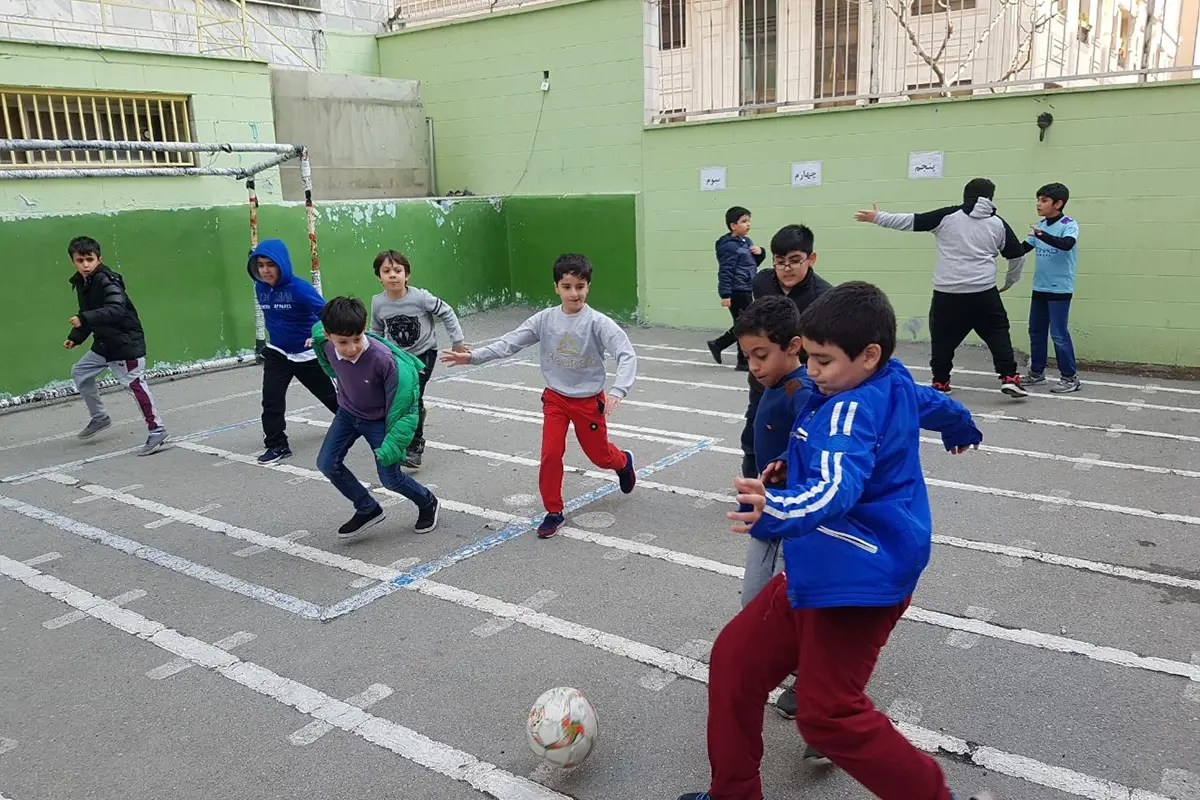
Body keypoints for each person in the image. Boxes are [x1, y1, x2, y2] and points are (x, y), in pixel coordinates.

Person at [679, 281, 987, 800]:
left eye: (823, 361)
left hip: (857, 582)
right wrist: (962, 428)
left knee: (827, 716)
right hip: (826, 564)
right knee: (734, 660)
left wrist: (775, 508)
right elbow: (934, 405)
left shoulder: (848, 408)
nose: (813, 372)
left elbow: (835, 487)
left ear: (869, 355)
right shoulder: (889, 380)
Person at [441, 254, 637, 539]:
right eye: (567, 286)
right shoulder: (545, 320)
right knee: (551, 453)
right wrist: (472, 357)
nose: (574, 293)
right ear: (556, 287)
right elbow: (509, 343)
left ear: (588, 287)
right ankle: (554, 511)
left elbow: (625, 353)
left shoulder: (598, 323)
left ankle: (622, 462)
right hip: (556, 399)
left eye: (580, 286)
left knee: (600, 456)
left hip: (588, 401)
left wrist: (618, 390)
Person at [855, 177, 1028, 398]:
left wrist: (877, 217)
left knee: (943, 338)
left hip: (948, 293)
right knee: (998, 333)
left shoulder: (947, 216)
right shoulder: (998, 224)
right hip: (984, 292)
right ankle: (1009, 378)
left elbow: (910, 221)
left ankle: (940, 382)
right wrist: (1010, 281)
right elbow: (1017, 256)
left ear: (965, 194)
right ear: (991, 197)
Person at [312, 296, 439, 542]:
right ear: (329, 336)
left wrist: (395, 440)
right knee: (327, 463)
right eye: (342, 342)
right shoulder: (325, 346)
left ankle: (427, 502)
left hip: (380, 420)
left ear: (365, 329)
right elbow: (318, 341)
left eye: (357, 339)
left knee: (390, 478)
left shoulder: (383, 359)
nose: (351, 349)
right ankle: (367, 507)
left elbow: (404, 406)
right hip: (348, 413)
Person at [739, 224, 831, 480]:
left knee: (794, 429)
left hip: (799, 375)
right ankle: (752, 478)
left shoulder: (823, 297)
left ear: (810, 259)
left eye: (794, 261)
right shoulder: (762, 281)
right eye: (780, 262)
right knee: (756, 425)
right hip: (766, 379)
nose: (786, 269)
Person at [64, 236, 169, 456]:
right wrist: (76, 336)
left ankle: (156, 429)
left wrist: (83, 319)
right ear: (73, 261)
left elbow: (115, 309)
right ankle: (100, 417)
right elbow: (92, 315)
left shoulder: (106, 280)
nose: (85, 264)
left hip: (125, 343)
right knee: (80, 372)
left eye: (89, 259)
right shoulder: (82, 282)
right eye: (80, 260)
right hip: (104, 344)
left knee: (135, 385)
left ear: (99, 259)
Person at [369, 249, 469, 469]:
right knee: (399, 397)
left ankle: (415, 446)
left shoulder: (421, 297)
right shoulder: (378, 303)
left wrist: (457, 341)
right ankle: (411, 423)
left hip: (424, 353)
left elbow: (447, 312)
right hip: (397, 357)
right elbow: (376, 331)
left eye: (398, 270)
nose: (393, 275)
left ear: (407, 274)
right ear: (379, 276)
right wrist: (372, 357)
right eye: (387, 271)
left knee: (412, 396)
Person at [248, 239, 339, 465]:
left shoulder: (300, 289)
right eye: (260, 265)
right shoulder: (260, 287)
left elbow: (327, 314)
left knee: (330, 396)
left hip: (306, 353)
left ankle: (358, 421)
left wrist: (318, 335)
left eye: (271, 264)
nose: (265, 270)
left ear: (282, 265)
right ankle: (277, 444)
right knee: (271, 399)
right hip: (278, 351)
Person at [1020, 182, 1081, 393]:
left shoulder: (1068, 224)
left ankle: (1070, 377)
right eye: (1038, 199)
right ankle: (1037, 374)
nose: (1038, 204)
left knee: (1058, 333)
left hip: (1060, 289)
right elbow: (1022, 249)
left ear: (1058, 203)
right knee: (1036, 332)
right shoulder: (1040, 226)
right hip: (1040, 288)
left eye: (1044, 200)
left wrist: (1041, 235)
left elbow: (1066, 244)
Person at [706, 206, 765, 371]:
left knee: (744, 323)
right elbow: (725, 271)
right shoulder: (728, 246)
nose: (748, 224)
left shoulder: (747, 242)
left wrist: (760, 253)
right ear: (733, 225)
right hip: (736, 290)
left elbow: (751, 264)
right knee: (745, 324)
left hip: (747, 287)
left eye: (749, 221)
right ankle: (742, 360)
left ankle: (719, 345)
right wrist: (725, 294)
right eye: (744, 221)